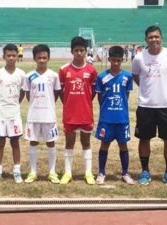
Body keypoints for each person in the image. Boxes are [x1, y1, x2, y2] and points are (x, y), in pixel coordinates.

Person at [132, 25, 167, 186]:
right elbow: (135, 76)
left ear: (161, 38)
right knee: (144, 139)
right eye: (150, 37)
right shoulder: (139, 58)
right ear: (146, 39)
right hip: (146, 106)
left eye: (156, 36)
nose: (154, 39)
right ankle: (145, 171)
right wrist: (148, 91)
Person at [59, 36, 98, 185]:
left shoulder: (91, 70)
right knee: (69, 142)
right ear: (72, 52)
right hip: (70, 114)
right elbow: (61, 92)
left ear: (86, 51)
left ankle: (88, 173)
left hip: (85, 113)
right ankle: (68, 173)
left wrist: (85, 101)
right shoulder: (64, 70)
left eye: (82, 50)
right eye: (76, 50)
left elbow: (93, 91)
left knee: (86, 142)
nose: (79, 53)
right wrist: (68, 103)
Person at [94, 46, 135, 185]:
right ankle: (101, 172)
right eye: (113, 60)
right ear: (109, 59)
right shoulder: (102, 77)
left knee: (123, 145)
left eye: (118, 60)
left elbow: (126, 96)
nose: (116, 63)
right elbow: (100, 98)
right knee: (104, 144)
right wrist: (107, 109)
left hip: (122, 118)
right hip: (107, 118)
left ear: (122, 60)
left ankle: (125, 173)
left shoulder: (127, 76)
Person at [23, 44, 61, 184]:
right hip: (34, 115)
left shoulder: (53, 76)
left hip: (49, 115)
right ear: (34, 59)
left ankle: (52, 172)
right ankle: (33, 172)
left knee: (51, 143)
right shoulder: (29, 76)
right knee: (33, 142)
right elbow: (28, 95)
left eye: (45, 57)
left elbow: (56, 94)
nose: (42, 60)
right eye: (39, 58)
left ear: (49, 58)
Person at [0, 44, 25, 184]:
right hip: (1, 113)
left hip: (14, 112)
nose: (11, 58)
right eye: (8, 56)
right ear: (4, 56)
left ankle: (17, 172)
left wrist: (16, 103)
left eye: (13, 55)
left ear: (17, 56)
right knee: (0, 142)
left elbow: (22, 92)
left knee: (15, 142)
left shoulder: (21, 74)